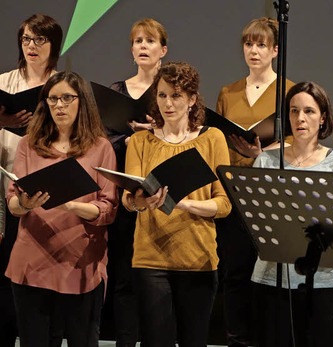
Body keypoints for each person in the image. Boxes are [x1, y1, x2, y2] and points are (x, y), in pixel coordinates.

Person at [122, 61, 231, 347]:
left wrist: (183, 204)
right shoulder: (140, 141)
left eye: (176, 96)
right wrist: (140, 202)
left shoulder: (212, 138)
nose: (167, 104)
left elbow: (224, 204)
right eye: (161, 95)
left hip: (198, 259)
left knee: (193, 340)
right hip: (150, 258)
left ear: (192, 99)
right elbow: (128, 199)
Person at [5, 70, 118, 346]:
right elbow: (13, 202)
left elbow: (108, 209)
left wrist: (71, 205)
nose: (59, 105)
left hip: (79, 263)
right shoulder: (29, 145)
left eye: (67, 98)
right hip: (31, 262)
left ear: (82, 102)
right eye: (52, 99)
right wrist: (25, 204)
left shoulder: (100, 147)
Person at [251, 81, 333, 347]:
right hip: (272, 277)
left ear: (323, 118)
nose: (300, 118)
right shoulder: (266, 161)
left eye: (309, 111)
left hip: (323, 280)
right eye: (294, 111)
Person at [215, 17, 294, 347]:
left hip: (269, 193)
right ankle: (237, 340)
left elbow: (298, 142)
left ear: (275, 50)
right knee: (235, 273)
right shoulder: (228, 92)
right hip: (234, 190)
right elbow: (217, 138)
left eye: (261, 45)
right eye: (249, 44)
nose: (254, 51)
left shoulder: (288, 91)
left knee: (268, 273)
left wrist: (263, 150)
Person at [0, 13, 63, 346]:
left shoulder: (63, 86)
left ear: (53, 45)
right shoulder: (4, 82)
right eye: (26, 39)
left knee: (41, 277)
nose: (32, 46)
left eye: (40, 39)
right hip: (5, 184)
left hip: (44, 185)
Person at [107, 18, 168, 347]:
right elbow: (105, 142)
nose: (143, 46)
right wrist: (129, 138)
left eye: (150, 41)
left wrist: (152, 135)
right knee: (124, 277)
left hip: (163, 189)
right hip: (128, 191)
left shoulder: (171, 93)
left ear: (163, 50)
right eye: (137, 41)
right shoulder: (117, 91)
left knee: (158, 280)